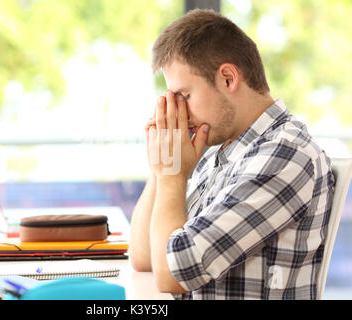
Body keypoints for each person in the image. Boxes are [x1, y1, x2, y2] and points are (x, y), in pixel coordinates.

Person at [129, 9, 335, 300]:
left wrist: (172, 176)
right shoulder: (221, 151)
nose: (179, 112)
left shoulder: (284, 154)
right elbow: (145, 258)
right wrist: (160, 168)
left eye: (184, 96)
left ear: (227, 78)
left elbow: (171, 273)